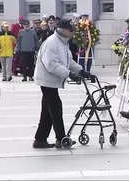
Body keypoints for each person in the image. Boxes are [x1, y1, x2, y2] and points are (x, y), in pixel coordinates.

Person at [32, 19, 94, 148]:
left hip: (52, 81)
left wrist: (82, 71)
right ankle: (61, 138)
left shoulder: (62, 43)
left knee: (47, 111)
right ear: (64, 31)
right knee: (55, 109)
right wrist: (69, 74)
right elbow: (51, 64)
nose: (73, 33)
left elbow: (69, 62)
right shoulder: (52, 43)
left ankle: (40, 139)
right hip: (47, 80)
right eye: (71, 30)